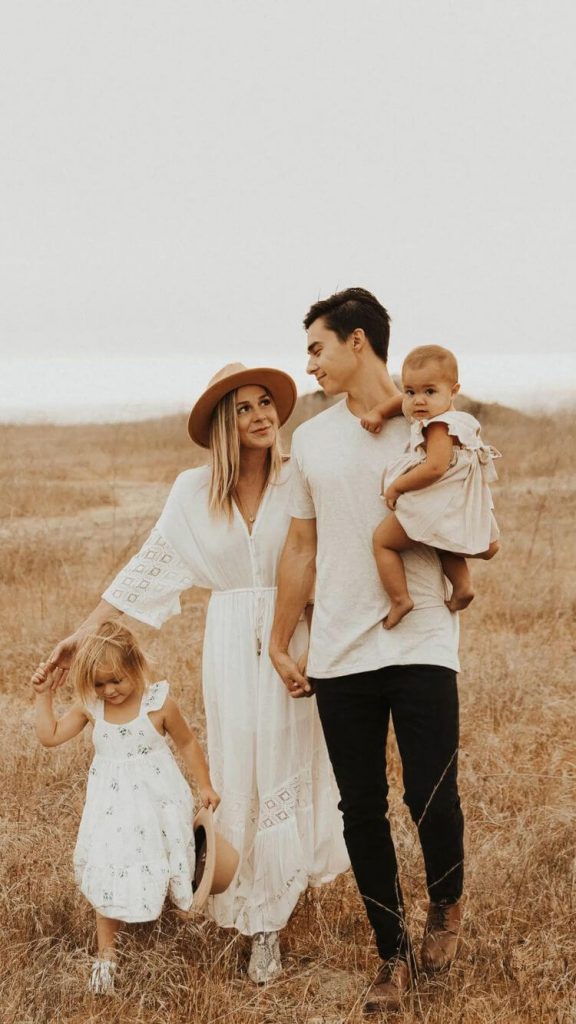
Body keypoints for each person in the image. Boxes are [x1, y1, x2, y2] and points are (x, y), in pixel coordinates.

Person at [47, 363, 348, 986]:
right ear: (222, 425)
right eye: (243, 408)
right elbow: (144, 572)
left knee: (285, 766)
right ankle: (238, 898)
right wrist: (82, 636)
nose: (261, 415)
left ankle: (271, 924)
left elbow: (334, 554)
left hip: (293, 638)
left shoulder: (302, 477)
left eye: (267, 402)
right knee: (237, 767)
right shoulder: (191, 493)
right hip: (229, 644)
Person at [270, 289, 466, 1014]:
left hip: (420, 636)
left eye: (317, 347)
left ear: (358, 341)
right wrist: (278, 637)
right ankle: (392, 956)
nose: (310, 364)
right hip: (338, 649)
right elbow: (301, 543)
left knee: (430, 790)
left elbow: (472, 506)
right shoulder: (313, 441)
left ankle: (446, 897)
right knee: (362, 807)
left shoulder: (431, 422)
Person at [31, 620, 220, 996]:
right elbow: (50, 737)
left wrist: (205, 784)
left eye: (116, 680)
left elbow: (187, 743)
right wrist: (42, 695)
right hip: (113, 810)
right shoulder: (91, 708)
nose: (108, 691)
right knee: (110, 867)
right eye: (99, 684)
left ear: (135, 666)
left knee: (165, 859)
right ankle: (107, 957)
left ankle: (173, 931)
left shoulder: (158, 704)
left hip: (158, 804)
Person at [363, 344, 501, 628]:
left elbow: (435, 467)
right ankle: (462, 587)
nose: (418, 401)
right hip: (453, 500)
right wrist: (378, 412)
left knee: (383, 542)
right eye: (411, 391)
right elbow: (400, 402)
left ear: (454, 390)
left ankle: (400, 598)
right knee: (441, 542)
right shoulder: (454, 418)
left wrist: (397, 487)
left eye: (430, 391)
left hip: (437, 497)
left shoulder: (439, 426)